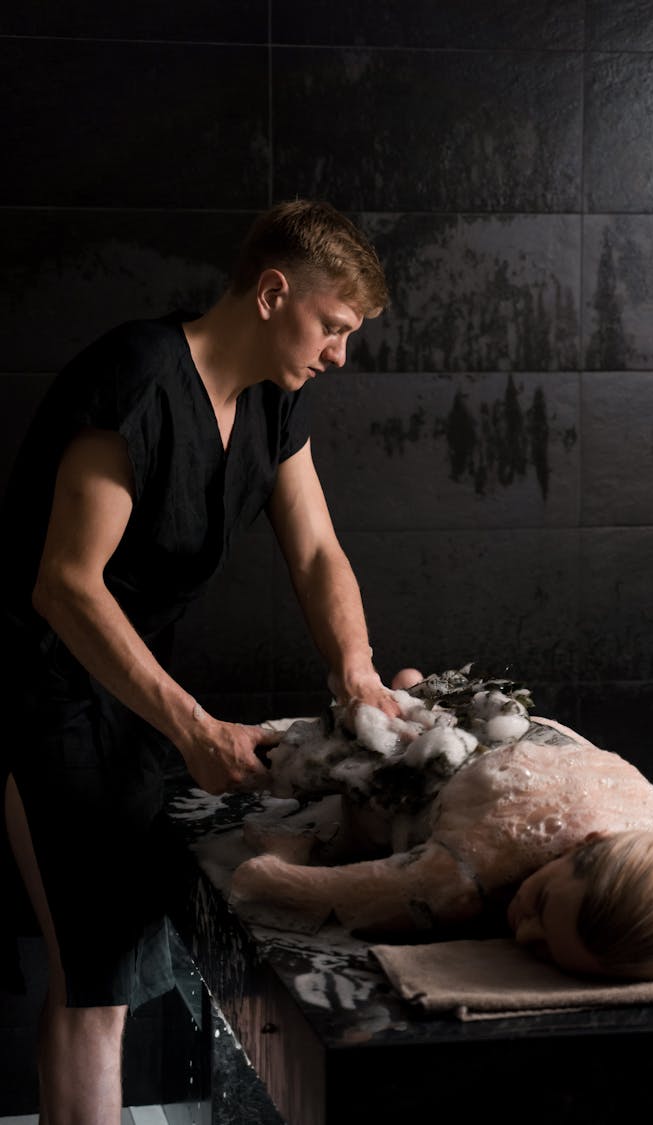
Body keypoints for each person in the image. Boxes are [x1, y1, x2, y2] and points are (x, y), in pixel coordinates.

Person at [0, 199, 402, 1124]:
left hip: (137, 694)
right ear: (272, 294)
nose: (340, 353)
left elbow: (315, 552)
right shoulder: (137, 376)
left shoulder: (271, 397)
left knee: (114, 964)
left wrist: (357, 671)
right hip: (51, 688)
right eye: (333, 327)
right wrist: (191, 724)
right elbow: (65, 584)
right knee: (93, 981)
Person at [230, 665, 653, 982]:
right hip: (456, 770)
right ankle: (408, 696)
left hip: (530, 739)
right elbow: (308, 888)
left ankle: (412, 689)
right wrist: (281, 866)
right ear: (586, 844)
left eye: (545, 950)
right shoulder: (470, 870)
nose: (523, 933)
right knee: (344, 765)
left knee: (419, 699)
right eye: (542, 907)